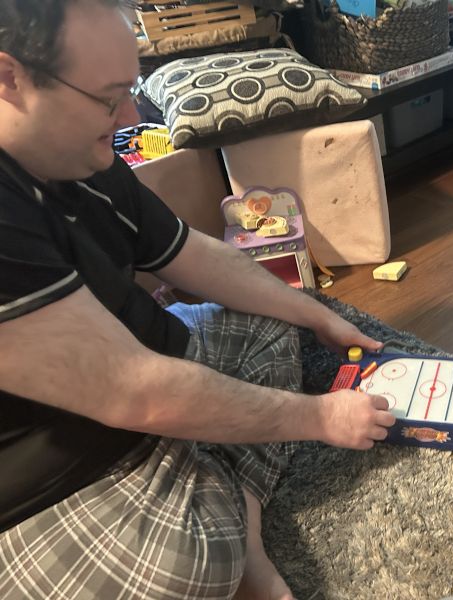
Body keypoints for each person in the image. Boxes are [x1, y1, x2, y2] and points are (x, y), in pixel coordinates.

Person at [0, 1, 396, 598]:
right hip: (56, 471)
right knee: (188, 563)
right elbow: (131, 390)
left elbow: (196, 255)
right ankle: (226, 506)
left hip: (142, 370)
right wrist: (320, 418)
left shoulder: (79, 154)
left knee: (274, 319)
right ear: (9, 78)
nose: (130, 115)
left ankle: (244, 529)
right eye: (109, 99)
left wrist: (317, 313)